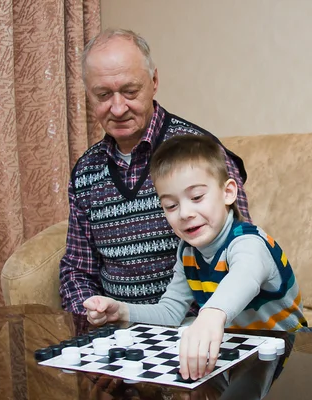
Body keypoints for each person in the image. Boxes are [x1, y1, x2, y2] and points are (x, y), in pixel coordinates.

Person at [83, 134, 307, 380]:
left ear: (228, 193)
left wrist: (211, 314)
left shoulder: (249, 242)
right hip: (235, 359)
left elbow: (245, 276)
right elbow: (170, 313)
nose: (185, 213)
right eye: (171, 205)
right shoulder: (188, 252)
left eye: (197, 197)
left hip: (289, 359)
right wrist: (122, 312)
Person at [59, 29, 250, 315]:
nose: (118, 107)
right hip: (117, 331)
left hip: (194, 330)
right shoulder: (86, 171)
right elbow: (78, 270)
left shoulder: (199, 152)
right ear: (88, 95)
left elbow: (239, 252)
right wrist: (90, 314)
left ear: (154, 82)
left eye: (130, 91)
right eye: (103, 95)